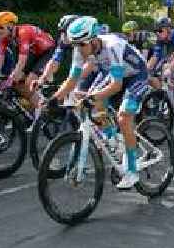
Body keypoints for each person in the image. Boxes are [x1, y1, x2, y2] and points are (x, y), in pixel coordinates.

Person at [48, 16, 148, 189]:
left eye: (82, 45)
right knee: (92, 103)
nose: (79, 50)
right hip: (112, 73)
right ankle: (113, 139)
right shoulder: (79, 49)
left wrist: (92, 97)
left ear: (94, 40)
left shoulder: (112, 45)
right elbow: (72, 80)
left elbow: (116, 86)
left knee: (123, 117)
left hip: (135, 75)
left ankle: (132, 171)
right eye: (75, 45)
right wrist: (53, 99)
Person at [0, 12, 55, 109]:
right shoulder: (4, 37)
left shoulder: (23, 32)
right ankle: (34, 109)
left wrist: (10, 79)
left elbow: (22, 62)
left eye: (1, 27)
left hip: (47, 51)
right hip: (34, 53)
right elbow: (0, 58)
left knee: (29, 82)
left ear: (11, 26)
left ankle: (46, 110)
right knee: (17, 83)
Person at [33, 14, 79, 90]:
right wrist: (42, 78)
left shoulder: (87, 40)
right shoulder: (63, 41)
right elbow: (54, 61)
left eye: (65, 32)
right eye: (61, 32)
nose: (63, 36)